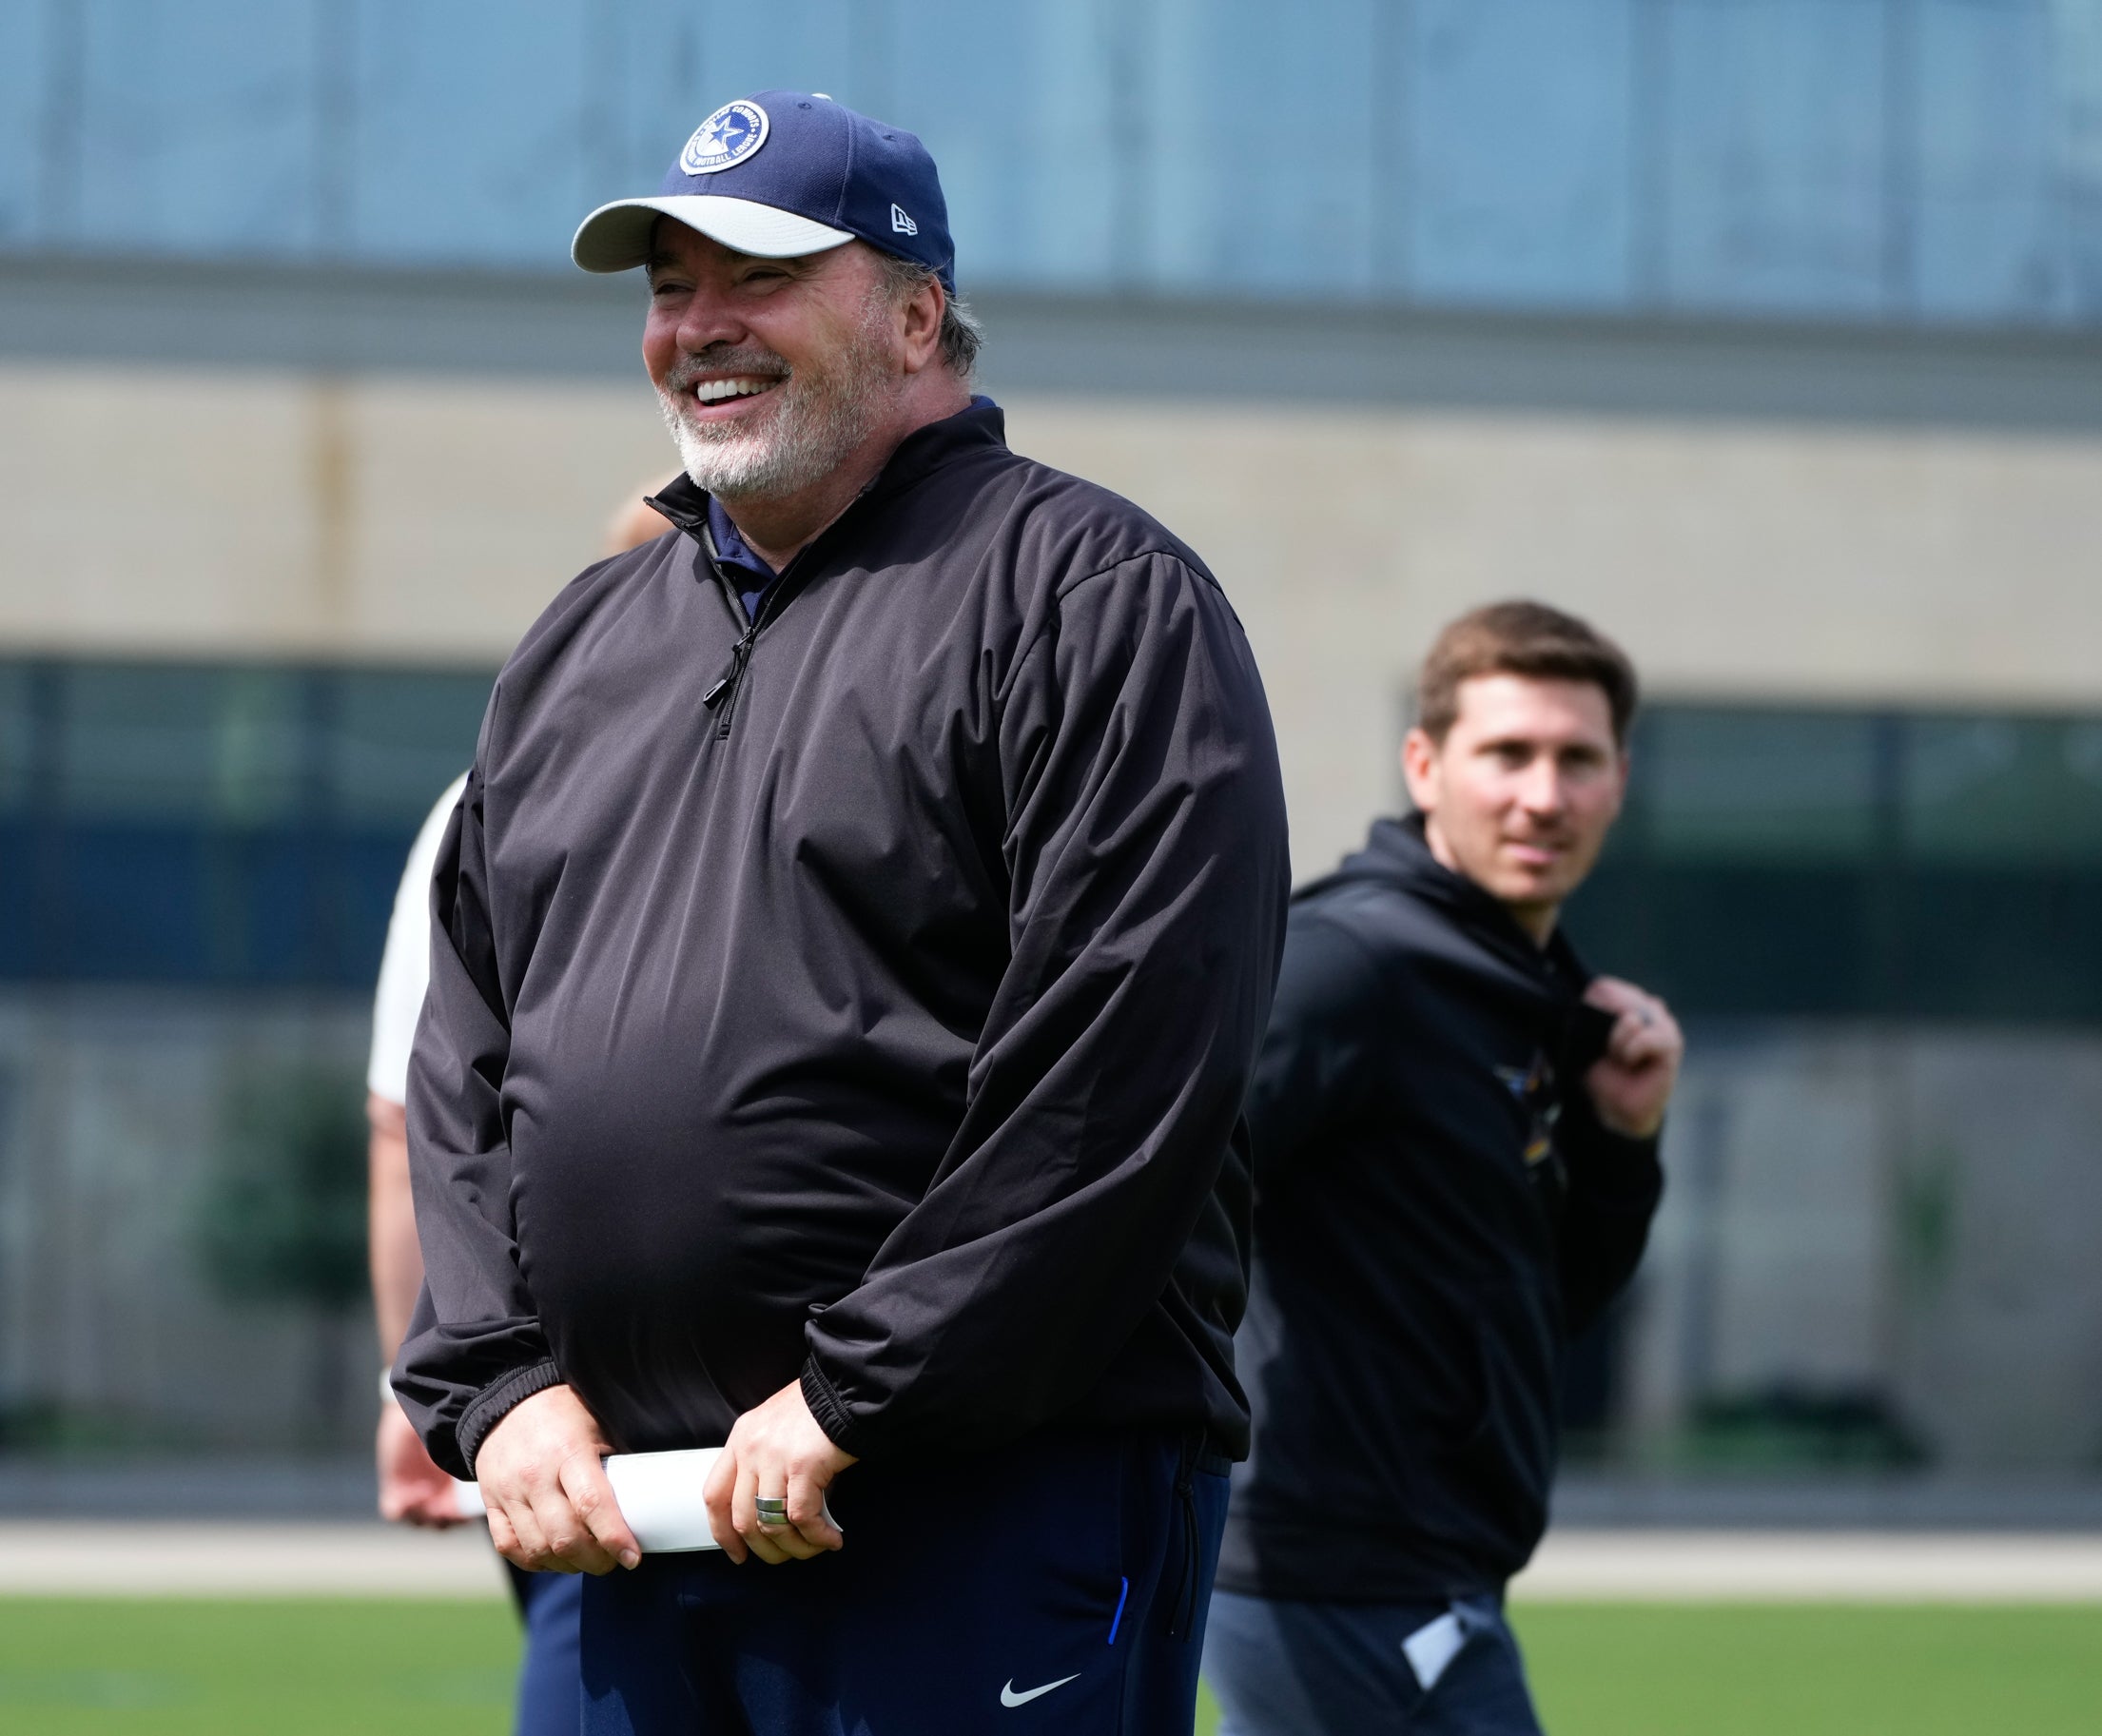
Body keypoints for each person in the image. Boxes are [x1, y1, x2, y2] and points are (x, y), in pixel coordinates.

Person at [394, 89, 1289, 1734]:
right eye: (667, 286)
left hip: (981, 1503)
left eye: (754, 275)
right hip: (630, 1523)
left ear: (913, 314)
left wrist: (860, 1390)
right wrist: (495, 1385)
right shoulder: (583, 642)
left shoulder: (1091, 599)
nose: (696, 328)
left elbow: (1119, 1071)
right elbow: (463, 1059)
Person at [1204, 602, 1681, 1736]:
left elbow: (1539, 1297)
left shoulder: (1520, 999)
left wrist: (1619, 1141)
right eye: (1505, 753)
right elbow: (1149, 1193)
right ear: (1424, 765)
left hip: (1426, 1569)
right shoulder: (1350, 965)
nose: (1541, 794)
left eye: (1576, 759)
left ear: (1618, 780)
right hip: (1325, 1574)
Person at [367, 491, 672, 1736]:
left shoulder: (487, 795)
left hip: (585, 1405)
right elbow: (418, 1122)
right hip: (572, 1415)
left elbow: (407, 1134)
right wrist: (434, 1386)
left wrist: (412, 1386)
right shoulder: (497, 800)